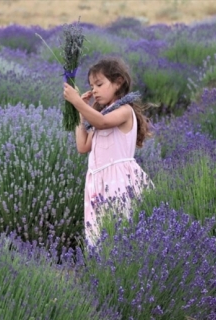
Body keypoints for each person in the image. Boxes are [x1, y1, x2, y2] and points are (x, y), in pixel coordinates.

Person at [63, 57, 154, 246]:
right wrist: (80, 113)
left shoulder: (124, 111)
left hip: (118, 181)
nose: (94, 90)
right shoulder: (102, 115)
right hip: (97, 183)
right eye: (91, 85)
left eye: (99, 84)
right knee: (100, 237)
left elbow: (101, 122)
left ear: (118, 82)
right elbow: (82, 146)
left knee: (120, 232)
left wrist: (77, 102)